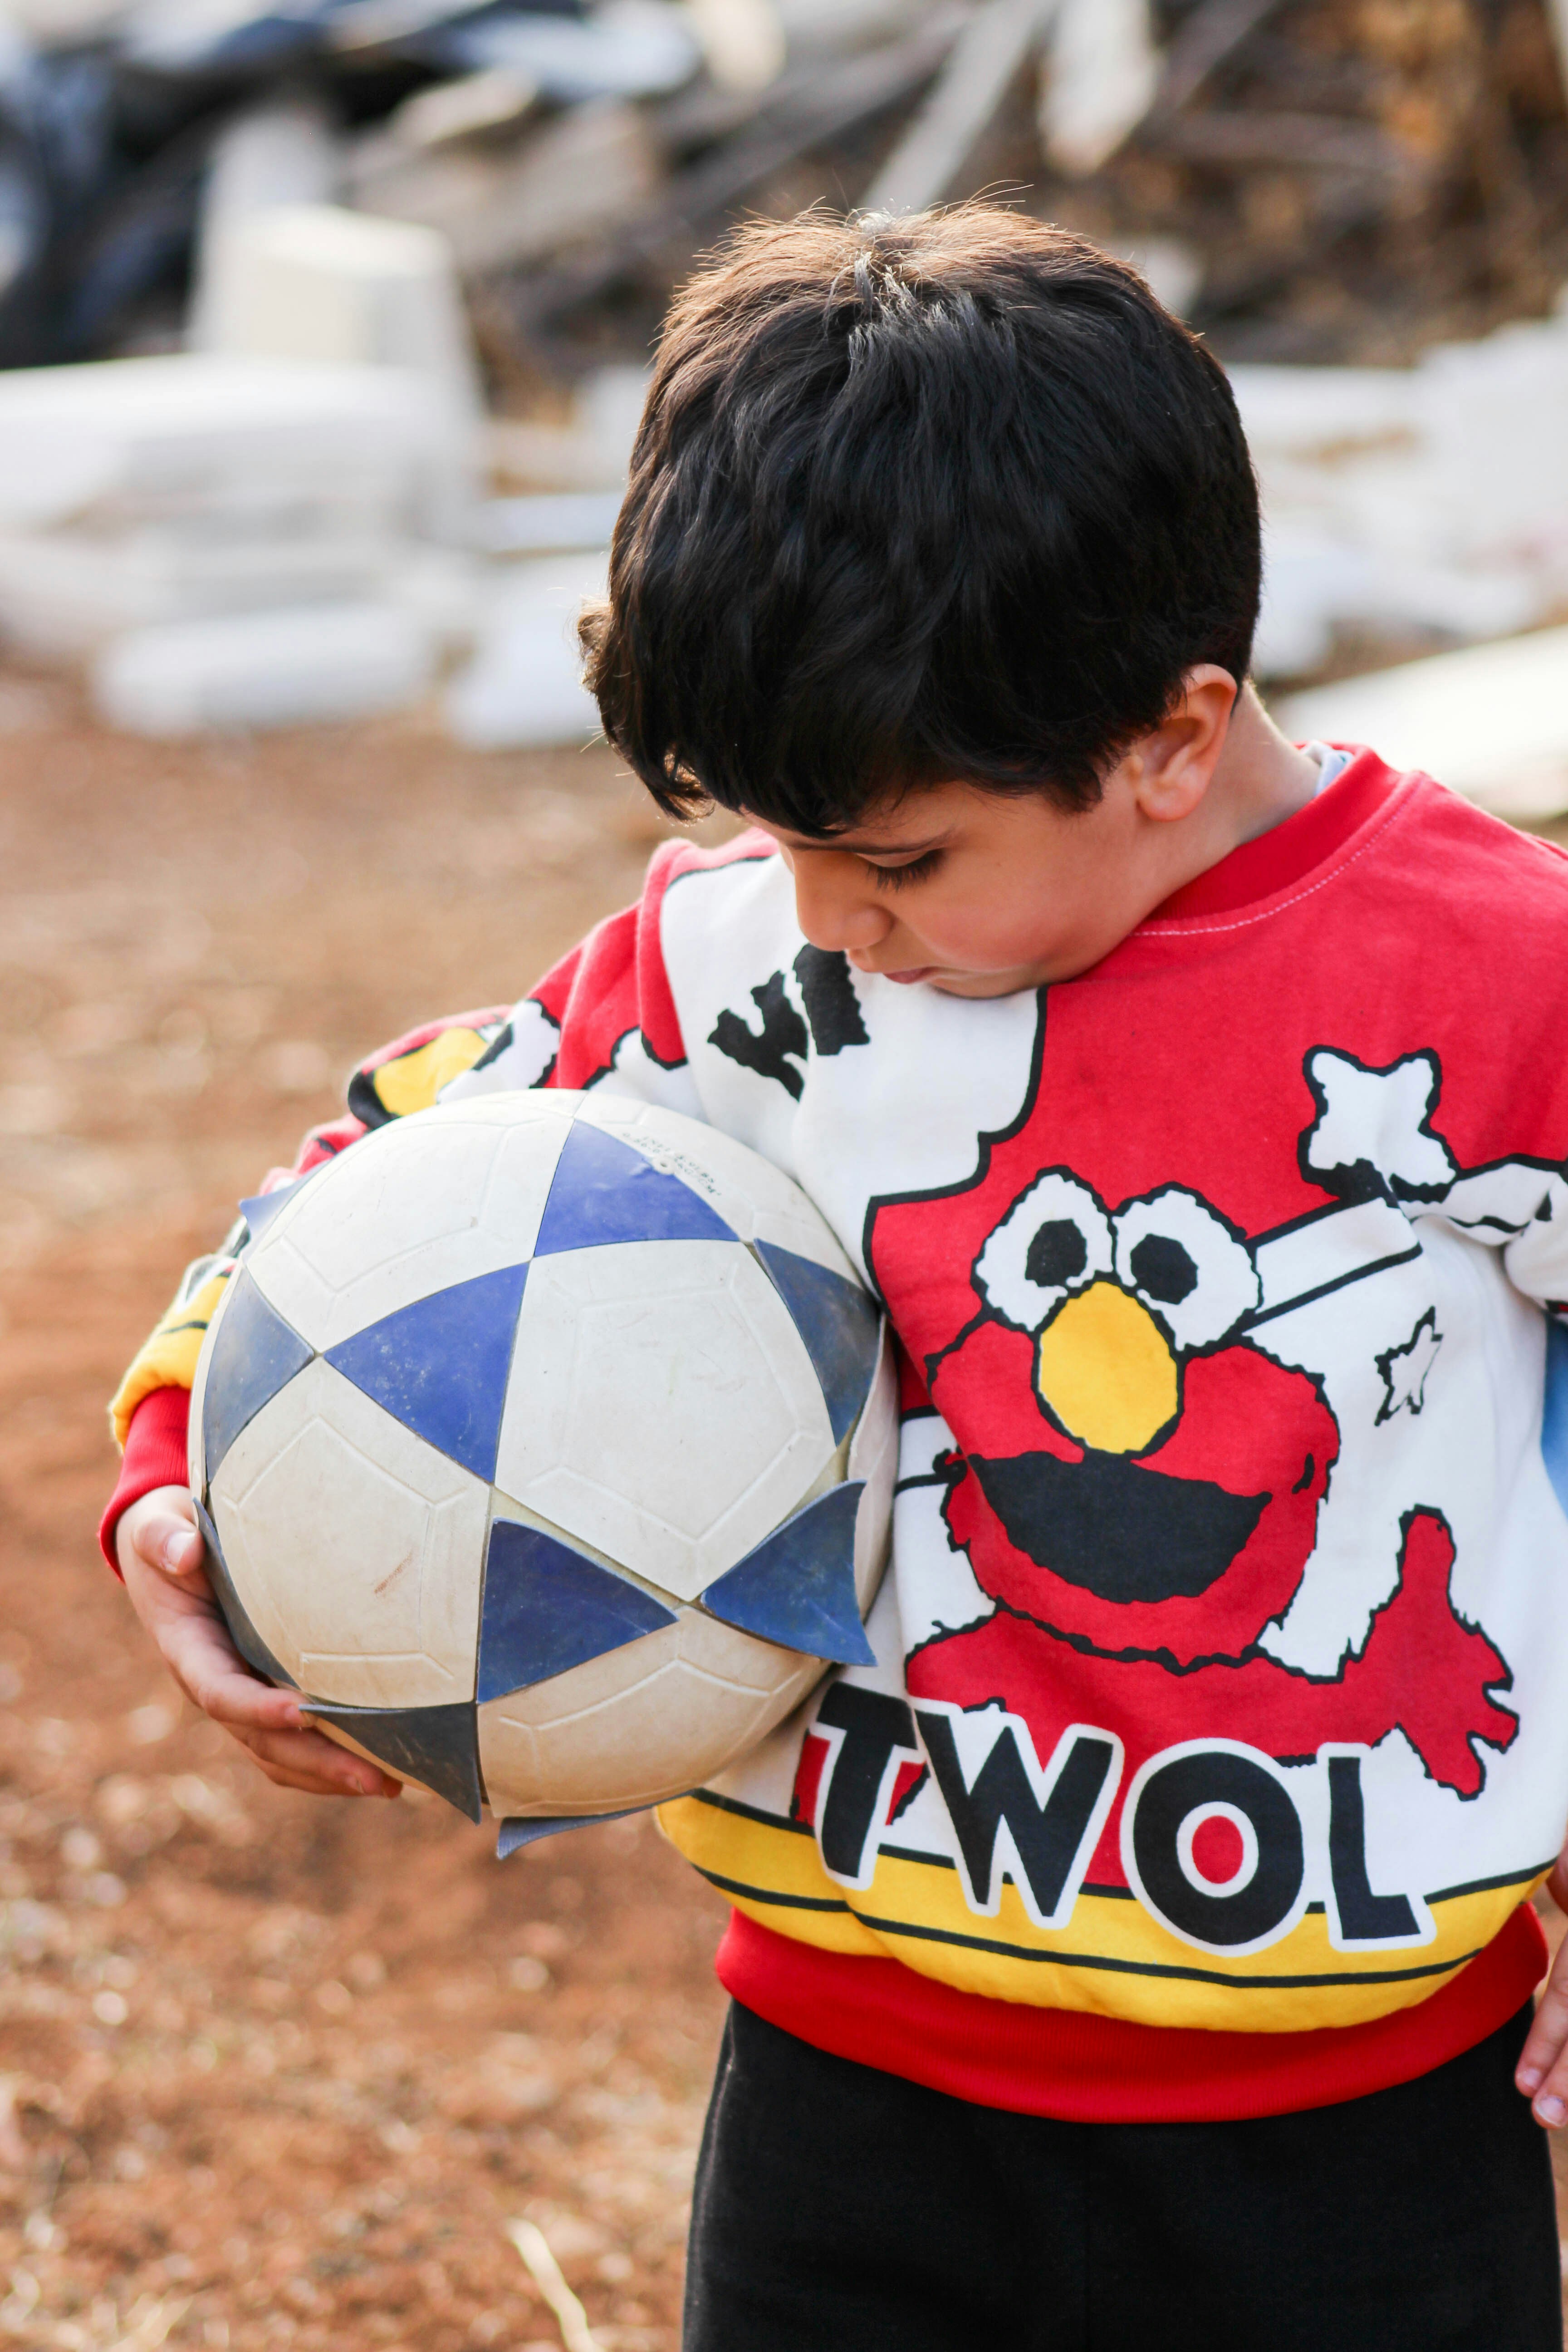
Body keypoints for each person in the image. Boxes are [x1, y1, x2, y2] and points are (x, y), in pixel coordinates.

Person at [103, 207, 1568, 2348]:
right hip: (844, 2103)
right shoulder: (735, 965)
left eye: (894, 860)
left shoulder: (1496, 986)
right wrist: (177, 1457)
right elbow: (397, 1163)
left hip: (1350, 2146)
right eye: (780, 847)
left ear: (1174, 736)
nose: (824, 920)